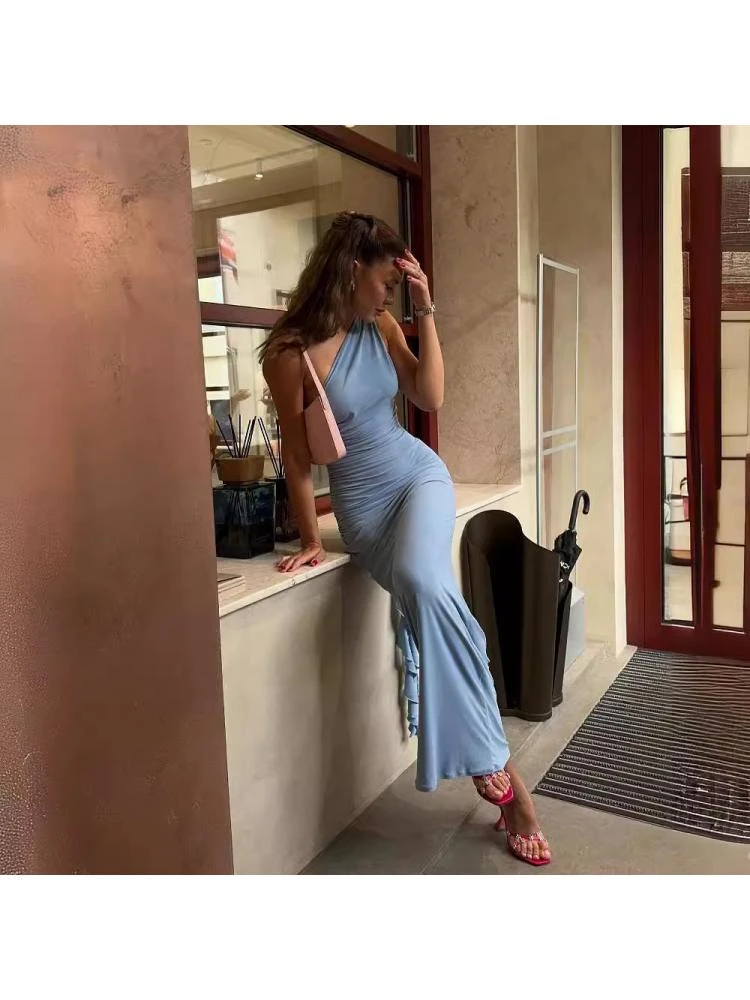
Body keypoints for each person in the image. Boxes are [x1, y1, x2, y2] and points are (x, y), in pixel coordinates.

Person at [260, 211, 551, 866]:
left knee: (423, 582)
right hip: (364, 512)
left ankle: (502, 777)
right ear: (351, 270)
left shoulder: (384, 325)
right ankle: (499, 771)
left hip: (418, 478)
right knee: (440, 604)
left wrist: (426, 311)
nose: (389, 293)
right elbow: (298, 459)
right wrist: (311, 537)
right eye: (385, 281)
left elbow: (429, 395)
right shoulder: (289, 354)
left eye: (396, 286)